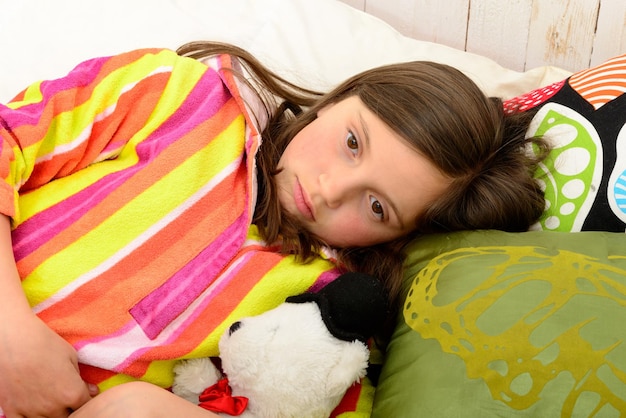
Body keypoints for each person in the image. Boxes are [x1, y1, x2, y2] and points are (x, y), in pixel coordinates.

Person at [0, 41, 547, 418]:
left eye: (377, 207)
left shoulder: (326, 306)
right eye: (353, 142)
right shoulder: (178, 95)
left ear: (395, 238)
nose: (332, 190)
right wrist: (10, 333)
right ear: (339, 98)